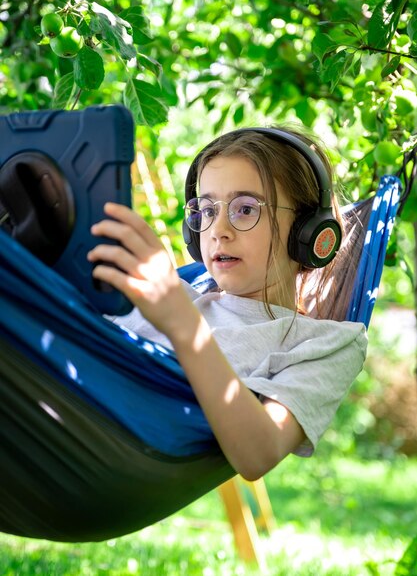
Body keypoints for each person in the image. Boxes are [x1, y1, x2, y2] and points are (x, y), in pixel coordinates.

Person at [87, 127, 367, 481]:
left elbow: (258, 454)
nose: (218, 229)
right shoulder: (176, 291)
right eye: (205, 211)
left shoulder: (325, 344)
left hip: (97, 439)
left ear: (307, 231)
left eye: (245, 209)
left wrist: (181, 323)